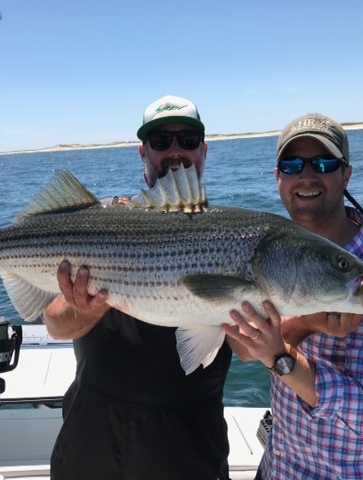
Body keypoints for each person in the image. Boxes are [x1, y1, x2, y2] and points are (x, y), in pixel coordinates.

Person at [44, 95, 233, 480]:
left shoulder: (232, 237)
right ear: (143, 152)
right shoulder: (100, 221)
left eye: (188, 140)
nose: (175, 152)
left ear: (204, 150)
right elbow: (54, 326)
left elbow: (253, 346)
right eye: (162, 141)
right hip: (92, 435)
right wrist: (89, 306)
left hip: (189, 443)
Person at [223, 113, 363, 479]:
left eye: (325, 163)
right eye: (293, 164)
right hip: (278, 468)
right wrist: (306, 323)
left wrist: (282, 358)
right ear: (278, 177)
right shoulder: (279, 255)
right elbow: (247, 350)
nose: (307, 176)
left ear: (346, 174)